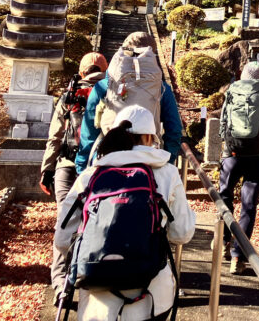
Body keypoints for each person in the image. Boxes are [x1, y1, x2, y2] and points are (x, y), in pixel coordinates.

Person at [55, 105, 195, 321]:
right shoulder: (167, 173)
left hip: (97, 302)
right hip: (151, 298)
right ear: (150, 136)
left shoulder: (91, 175)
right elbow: (182, 234)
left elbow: (63, 239)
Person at [41, 51, 107, 299]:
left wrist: (47, 169)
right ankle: (88, 273)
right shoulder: (110, 92)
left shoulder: (69, 95)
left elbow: (55, 135)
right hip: (99, 169)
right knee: (94, 221)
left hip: (66, 166)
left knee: (65, 221)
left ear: (81, 71)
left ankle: (61, 286)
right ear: (106, 68)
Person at [75, 32, 183, 174]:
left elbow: (89, 132)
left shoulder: (104, 86)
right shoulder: (161, 88)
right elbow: (174, 130)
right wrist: (167, 162)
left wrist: (82, 167)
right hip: (147, 161)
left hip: (107, 158)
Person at [217, 61, 259, 274]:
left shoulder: (231, 94)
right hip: (257, 157)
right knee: (248, 204)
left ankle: (223, 241)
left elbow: (223, 122)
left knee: (224, 197)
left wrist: (227, 147)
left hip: (232, 155)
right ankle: (238, 257)